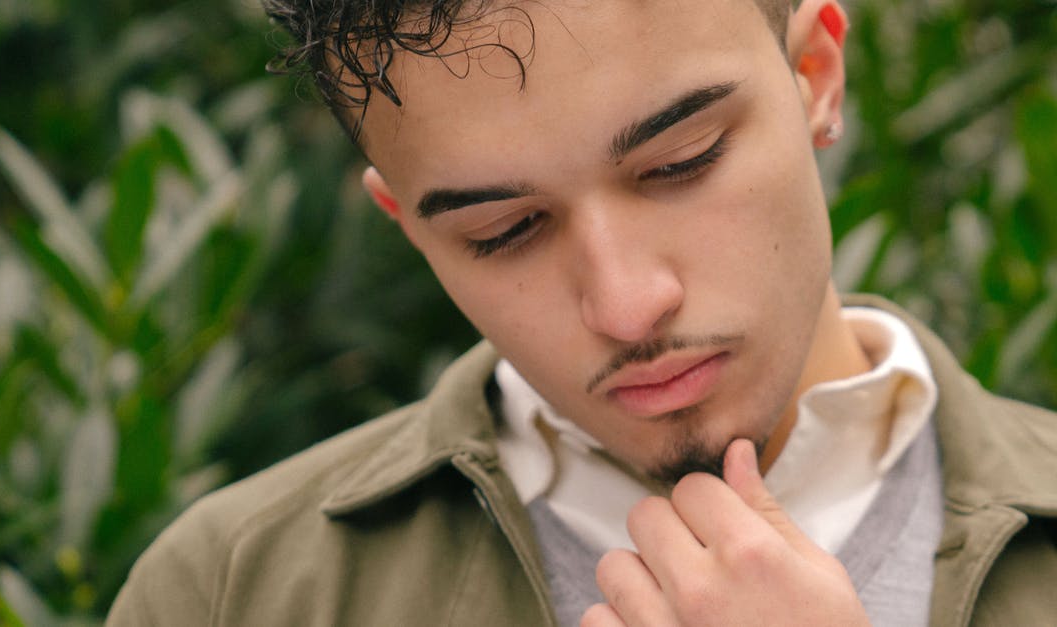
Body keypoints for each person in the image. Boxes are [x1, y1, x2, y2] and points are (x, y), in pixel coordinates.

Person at [106, 1, 1057, 625]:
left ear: (815, 73)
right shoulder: (232, 592)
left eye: (680, 164)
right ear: (409, 227)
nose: (627, 303)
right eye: (503, 229)